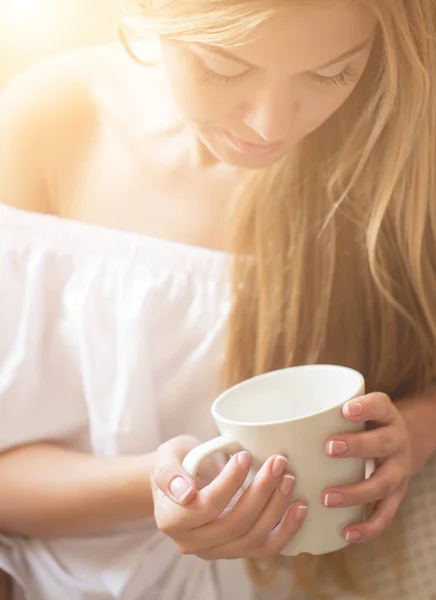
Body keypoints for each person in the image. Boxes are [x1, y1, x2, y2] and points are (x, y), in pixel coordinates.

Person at [0, 0, 436, 598]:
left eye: (332, 73)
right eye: (224, 68)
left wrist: (413, 433)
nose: (269, 125)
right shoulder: (45, 121)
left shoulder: (396, 159)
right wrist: (175, 486)